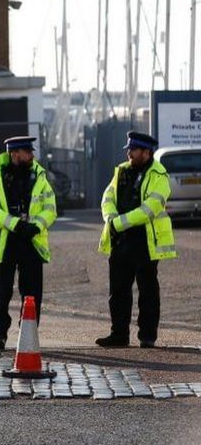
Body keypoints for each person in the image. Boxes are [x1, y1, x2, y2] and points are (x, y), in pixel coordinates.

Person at [96, 131, 176, 348]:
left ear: (146, 152)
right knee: (118, 291)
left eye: (133, 150)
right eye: (129, 150)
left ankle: (147, 336)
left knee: (147, 291)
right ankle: (119, 334)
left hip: (145, 242)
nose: (129, 153)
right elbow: (107, 197)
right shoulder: (121, 171)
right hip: (120, 241)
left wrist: (118, 222)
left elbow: (149, 210)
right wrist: (110, 218)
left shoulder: (159, 175)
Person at [0, 135, 57, 351]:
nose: (32, 155)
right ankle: (1, 333)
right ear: (15, 154)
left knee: (32, 292)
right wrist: (15, 224)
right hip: (6, 240)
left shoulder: (39, 176)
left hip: (31, 241)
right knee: (1, 292)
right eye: (28, 152)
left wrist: (36, 226)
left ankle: (29, 335)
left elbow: (50, 207)